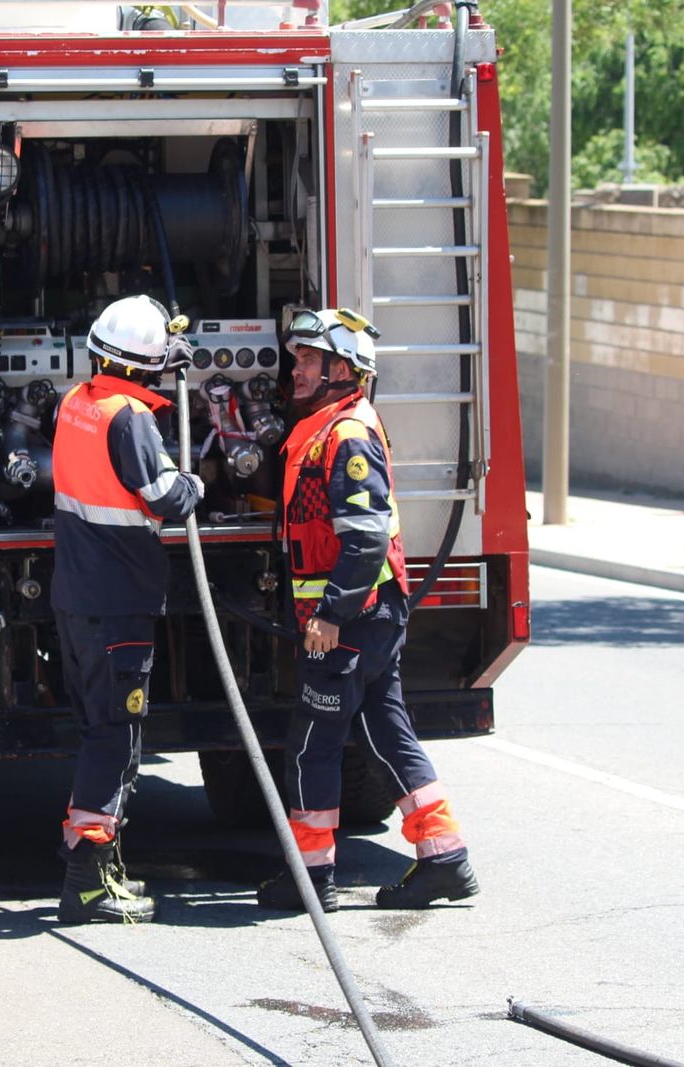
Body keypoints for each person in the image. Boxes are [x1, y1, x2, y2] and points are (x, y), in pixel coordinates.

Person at [257, 306, 479, 913]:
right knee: (387, 732)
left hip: (351, 619)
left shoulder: (347, 435)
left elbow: (366, 538)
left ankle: (311, 876)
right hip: (372, 615)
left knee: (314, 744)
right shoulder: (327, 426)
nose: (296, 369)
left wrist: (330, 614)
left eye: (309, 359)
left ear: (343, 370)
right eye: (298, 358)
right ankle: (444, 857)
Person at [50, 294, 202, 924]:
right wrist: (194, 482)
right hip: (120, 604)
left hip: (78, 599)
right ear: (151, 365)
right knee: (116, 740)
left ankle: (96, 868)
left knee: (98, 732)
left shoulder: (75, 404)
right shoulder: (130, 418)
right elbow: (166, 497)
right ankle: (87, 883)